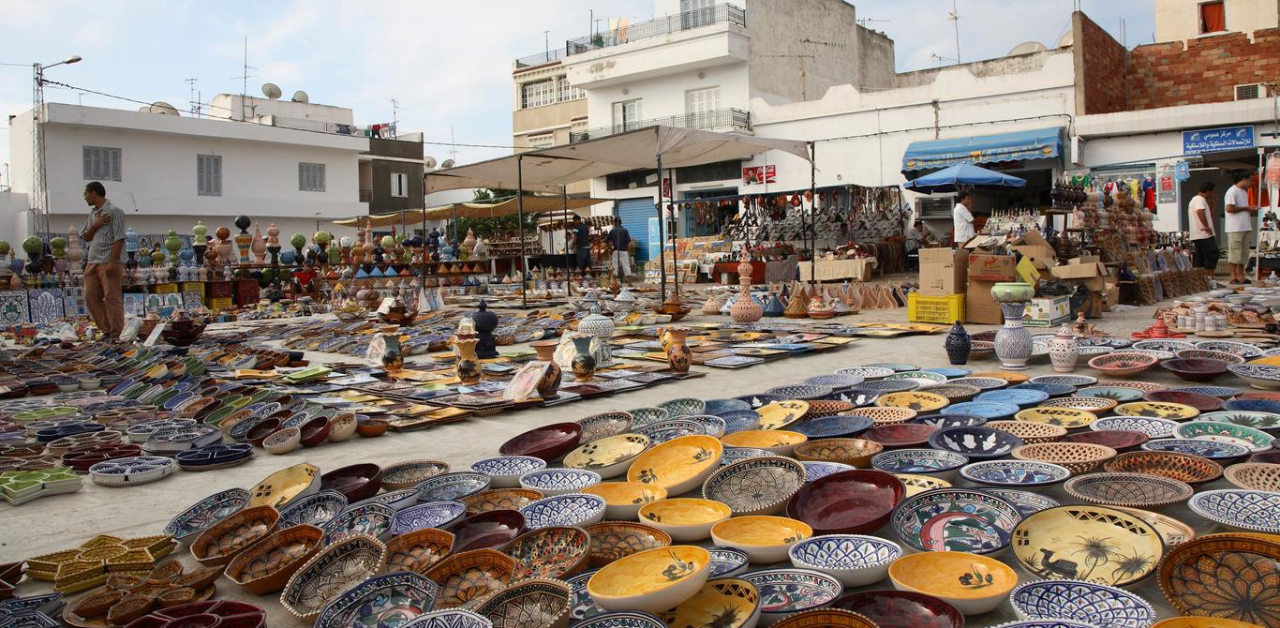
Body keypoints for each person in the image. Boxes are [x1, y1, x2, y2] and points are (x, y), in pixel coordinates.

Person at [80, 181, 126, 339]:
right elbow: (86, 237)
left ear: (94, 193)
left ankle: (116, 332)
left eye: (86, 194)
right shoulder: (93, 214)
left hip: (108, 261)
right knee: (91, 296)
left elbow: (119, 238)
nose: (84, 197)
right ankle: (106, 329)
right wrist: (95, 225)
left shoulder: (114, 211)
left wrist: (113, 262)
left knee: (112, 297)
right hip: (93, 261)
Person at [1225, 171, 1260, 284]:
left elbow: (1242, 208)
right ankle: (1233, 277)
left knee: (1244, 253)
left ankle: (1241, 276)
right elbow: (1229, 209)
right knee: (1234, 253)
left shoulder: (1244, 192)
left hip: (1245, 226)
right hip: (1235, 227)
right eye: (1250, 180)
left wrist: (1249, 208)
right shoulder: (1232, 191)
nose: (1251, 183)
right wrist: (1246, 208)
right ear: (1244, 179)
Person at [1188, 181, 1219, 272]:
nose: (1212, 194)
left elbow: (1208, 217)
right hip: (1204, 235)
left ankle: (1201, 278)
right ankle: (1209, 277)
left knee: (1200, 258)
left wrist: (1213, 205)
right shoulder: (1199, 200)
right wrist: (1206, 226)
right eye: (1212, 192)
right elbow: (1199, 212)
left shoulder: (1198, 200)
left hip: (1199, 235)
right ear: (1208, 191)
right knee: (1211, 256)